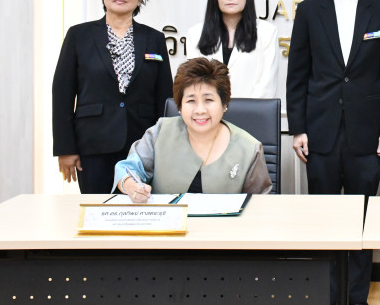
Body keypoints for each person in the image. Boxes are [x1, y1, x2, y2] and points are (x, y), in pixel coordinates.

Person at [286, 0, 380, 305]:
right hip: (319, 132)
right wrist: (297, 128)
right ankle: (327, 296)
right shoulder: (309, 10)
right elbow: (298, 73)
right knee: (323, 220)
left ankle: (356, 297)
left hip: (366, 133)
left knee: (361, 219)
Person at [52, 0, 173, 194]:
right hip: (92, 144)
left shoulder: (154, 38)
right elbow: (62, 94)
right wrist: (65, 147)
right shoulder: (79, 35)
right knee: (96, 208)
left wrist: (166, 146)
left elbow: (165, 96)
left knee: (141, 207)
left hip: (142, 144)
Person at [114, 57, 272, 200]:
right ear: (179, 106)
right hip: (168, 222)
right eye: (191, 101)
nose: (200, 110)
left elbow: (261, 205)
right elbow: (127, 169)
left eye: (208, 100)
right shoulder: (160, 132)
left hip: (226, 224)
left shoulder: (250, 148)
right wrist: (130, 185)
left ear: (224, 104)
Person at [186, 0, 278, 98]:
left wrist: (246, 110)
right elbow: (194, 84)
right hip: (208, 110)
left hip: (253, 110)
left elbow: (267, 87)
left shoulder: (267, 32)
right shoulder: (195, 34)